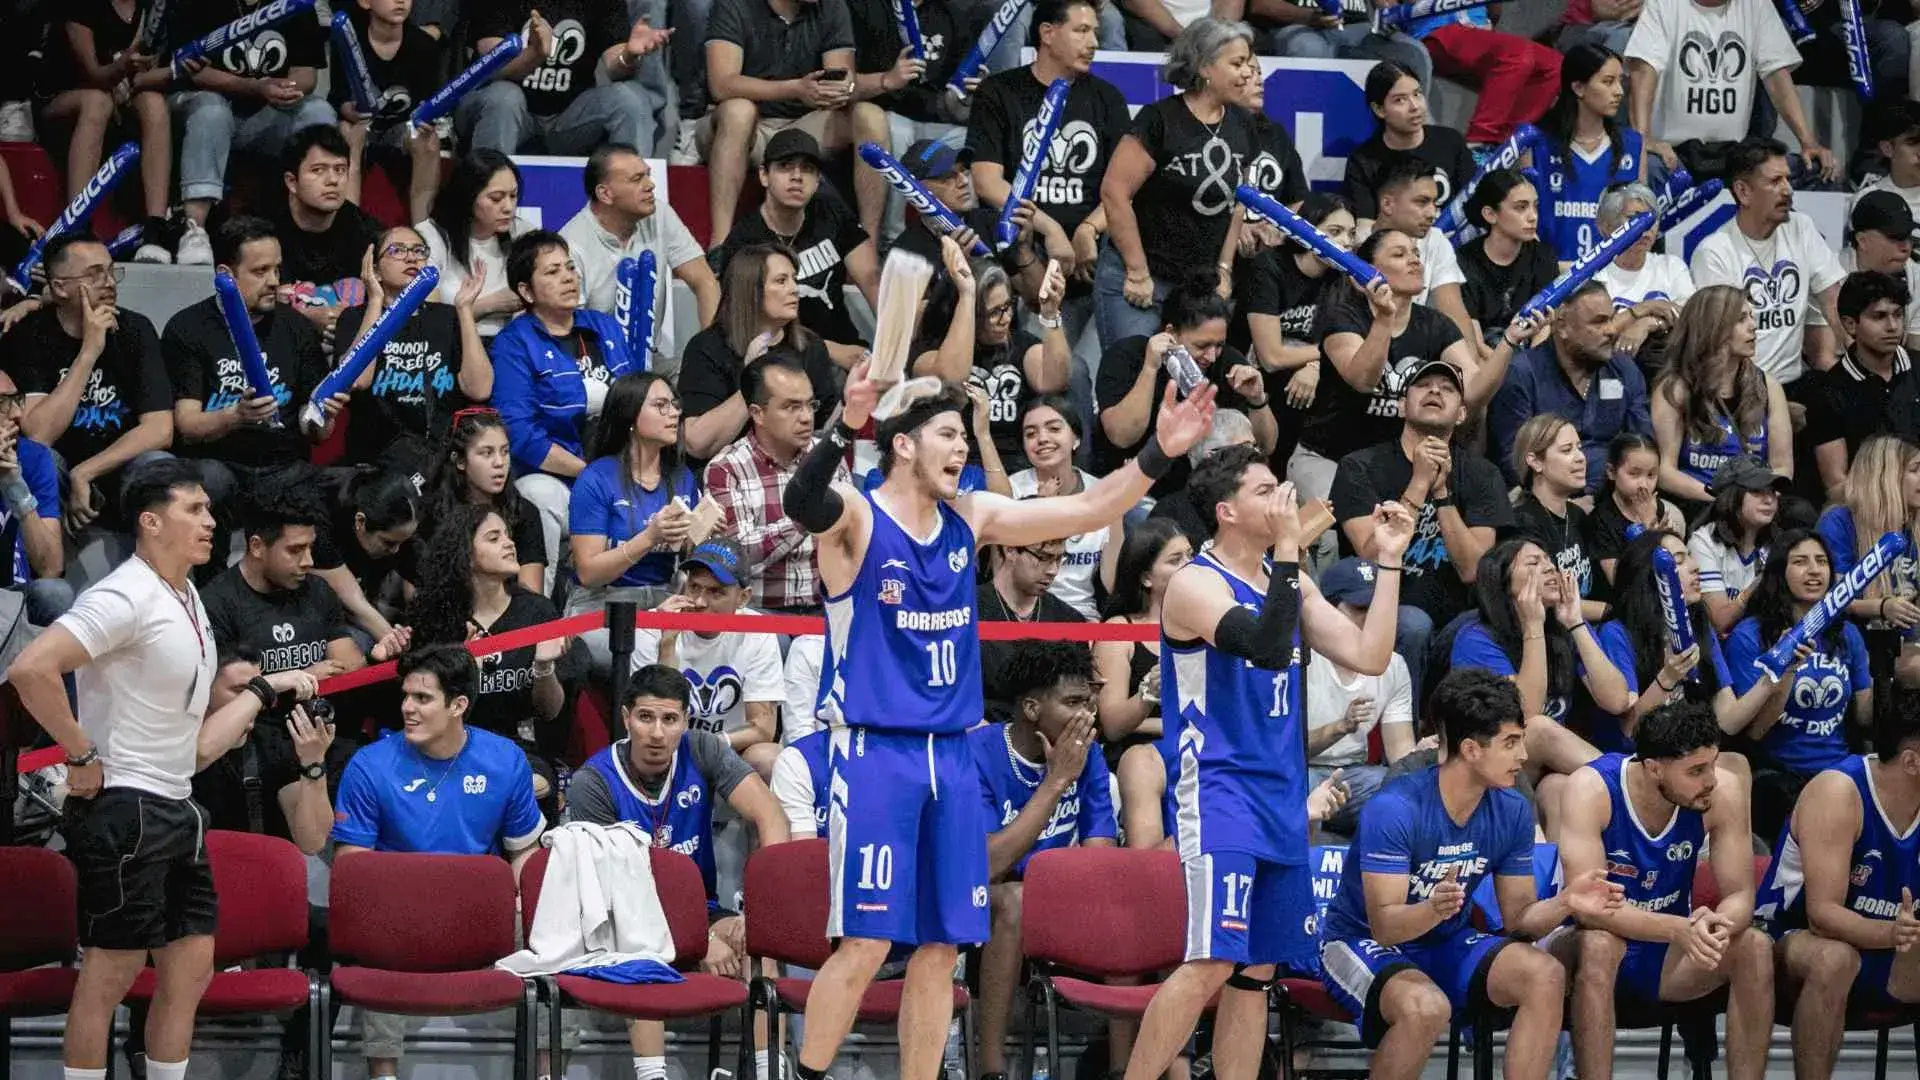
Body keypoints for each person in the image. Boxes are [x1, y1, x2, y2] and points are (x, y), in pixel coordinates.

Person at [777, 353, 1216, 1080]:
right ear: (904, 444)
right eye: (948, 434)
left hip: (953, 755)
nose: (963, 448)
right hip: (877, 754)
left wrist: (1158, 452)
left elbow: (1087, 510)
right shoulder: (856, 514)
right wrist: (846, 422)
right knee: (866, 944)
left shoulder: (971, 516)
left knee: (942, 948)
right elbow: (802, 502)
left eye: (964, 435)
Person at [1117, 441, 1412, 1080]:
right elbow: (1268, 646)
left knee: (1255, 974)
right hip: (1220, 792)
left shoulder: (1289, 578)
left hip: (1281, 792)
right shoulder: (1194, 583)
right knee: (1210, 963)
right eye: (1264, 490)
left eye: (1282, 486)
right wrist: (1287, 550)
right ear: (1226, 511)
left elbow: (1370, 655)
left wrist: (1388, 562)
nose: (1283, 497)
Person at [6, 459, 251, 1080]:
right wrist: (80, 752)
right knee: (109, 974)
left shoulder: (188, 594)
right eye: (193, 509)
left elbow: (188, 734)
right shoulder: (123, 594)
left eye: (209, 509)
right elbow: (32, 669)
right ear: (151, 521)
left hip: (179, 803)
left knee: (190, 970)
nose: (210, 520)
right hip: (126, 806)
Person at [1316, 668, 1622, 1080]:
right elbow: (1385, 927)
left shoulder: (1512, 810)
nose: (1524, 756)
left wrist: (1565, 901)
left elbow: (1518, 921)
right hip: (1359, 940)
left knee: (1544, 974)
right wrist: (1432, 909)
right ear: (1471, 749)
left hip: (1442, 938)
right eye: (1510, 743)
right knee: (1426, 1007)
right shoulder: (1394, 809)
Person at [330, 644, 546, 1080]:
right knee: (374, 933)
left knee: (551, 936)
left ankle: (545, 1071)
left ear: (458, 705)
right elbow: (352, 867)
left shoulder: (505, 761)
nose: (407, 708)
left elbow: (524, 851)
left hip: (477, 914)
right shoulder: (369, 766)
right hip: (399, 915)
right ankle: (384, 1074)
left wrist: (528, 904)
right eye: (406, 696)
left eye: (423, 698)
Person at [565, 664, 791, 1080]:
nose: (657, 733)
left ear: (686, 721)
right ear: (626, 718)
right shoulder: (593, 782)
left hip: (700, 911)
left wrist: (760, 909)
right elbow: (613, 895)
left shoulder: (701, 750)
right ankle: (653, 1075)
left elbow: (770, 816)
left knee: (759, 946)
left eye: (670, 719)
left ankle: (768, 1070)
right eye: (645, 718)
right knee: (642, 951)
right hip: (622, 920)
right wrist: (698, 942)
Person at [1555, 702, 1774, 1080]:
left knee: (1754, 945)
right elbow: (1591, 909)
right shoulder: (1591, 788)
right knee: (1598, 944)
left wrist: (1714, 924)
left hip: (1667, 952)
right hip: (1591, 946)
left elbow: (1740, 895)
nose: (1711, 780)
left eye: (1712, 764)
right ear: (1653, 767)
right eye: (1696, 771)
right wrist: (1677, 928)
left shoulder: (1723, 791)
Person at [966, 0, 1132, 418]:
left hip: (1093, 264)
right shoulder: (1000, 92)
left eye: (1095, 32)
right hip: (1025, 256)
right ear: (1047, 33)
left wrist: (1089, 229)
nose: (1093, 43)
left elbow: (1124, 185)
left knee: (1090, 377)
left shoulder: (1107, 98)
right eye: (1081, 31)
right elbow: (987, 181)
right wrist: (1052, 229)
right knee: (1055, 375)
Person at [1754, 694, 1920, 1080]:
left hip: (1891, 946)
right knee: (1835, 959)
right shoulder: (1838, 792)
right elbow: (1822, 916)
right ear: (1912, 762)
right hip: (1792, 940)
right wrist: (1894, 933)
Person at [971, 641, 1117, 1080]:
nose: (1087, 715)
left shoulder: (1088, 753)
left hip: (1061, 895)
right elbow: (988, 864)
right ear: (1032, 708)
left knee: (1131, 903)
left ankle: (1123, 1069)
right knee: (1014, 899)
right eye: (1073, 703)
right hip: (980, 901)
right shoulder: (977, 753)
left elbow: (1100, 857)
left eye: (1089, 702)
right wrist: (1056, 782)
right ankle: (992, 1070)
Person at [1331, 358, 1510, 694]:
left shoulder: (1483, 475)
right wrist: (1419, 482)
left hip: (1453, 622)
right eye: (1423, 385)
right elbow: (1372, 555)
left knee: (1485, 624)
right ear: (1401, 406)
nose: (1435, 391)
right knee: (1415, 624)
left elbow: (1473, 570)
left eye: (1447, 389)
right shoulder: (1359, 467)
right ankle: (1406, 728)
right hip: (1378, 615)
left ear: (1461, 414)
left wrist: (1441, 494)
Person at [1290, 229, 1488, 505]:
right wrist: (1385, 316)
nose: (1415, 260)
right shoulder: (1344, 317)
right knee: (1346, 524)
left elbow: (1475, 387)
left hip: (1395, 466)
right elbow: (1363, 380)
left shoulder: (1436, 324)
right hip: (1328, 459)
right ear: (1365, 273)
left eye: (1416, 253)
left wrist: (1509, 342)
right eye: (1399, 254)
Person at [162, 217, 346, 514]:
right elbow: (187, 425)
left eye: (276, 269)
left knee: (356, 488)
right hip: (220, 465)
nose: (274, 281)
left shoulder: (297, 327)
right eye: (260, 271)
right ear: (225, 275)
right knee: (210, 481)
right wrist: (236, 416)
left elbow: (315, 433)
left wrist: (323, 416)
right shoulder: (188, 328)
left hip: (284, 467)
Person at [1095, 17, 1257, 347]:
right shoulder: (1159, 119)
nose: (1247, 73)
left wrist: (1225, 269)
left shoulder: (1243, 124)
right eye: (1237, 64)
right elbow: (1114, 192)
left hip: (1196, 289)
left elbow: (1238, 203)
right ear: (1205, 67)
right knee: (1134, 368)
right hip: (1143, 279)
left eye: (1248, 64)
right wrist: (1137, 271)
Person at [491, 230, 642, 569]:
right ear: (526, 291)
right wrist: (590, 473)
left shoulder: (604, 326)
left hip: (621, 470)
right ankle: (537, 598)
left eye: (570, 268)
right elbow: (520, 433)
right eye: (552, 271)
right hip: (558, 478)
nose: (568, 278)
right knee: (537, 496)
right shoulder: (513, 344)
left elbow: (638, 398)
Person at [5, 233, 171, 536]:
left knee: (160, 465)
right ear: (59, 288)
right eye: (94, 275)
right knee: (39, 460)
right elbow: (40, 435)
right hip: (59, 474)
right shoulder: (30, 335)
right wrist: (89, 352)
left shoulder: (136, 330)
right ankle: (47, 561)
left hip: (118, 468)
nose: (108, 283)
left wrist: (86, 471)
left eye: (111, 271)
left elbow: (160, 428)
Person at [407, 504, 567, 808]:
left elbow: (549, 712)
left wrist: (544, 667)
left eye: (508, 535)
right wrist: (466, 670)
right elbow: (423, 712)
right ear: (466, 555)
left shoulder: (537, 612)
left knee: (535, 784)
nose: (509, 543)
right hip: (447, 743)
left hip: (513, 746)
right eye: (494, 538)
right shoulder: (436, 619)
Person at [1724, 530, 1873, 842]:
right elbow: (1755, 732)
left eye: (1821, 562)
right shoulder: (1749, 635)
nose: (1814, 570)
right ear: (1780, 572)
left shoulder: (1847, 634)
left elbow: (1865, 717)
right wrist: (1786, 670)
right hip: (1779, 775)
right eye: (1801, 562)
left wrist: (1883, 677)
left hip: (1840, 768)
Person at [1449, 539, 1628, 798]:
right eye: (1533, 563)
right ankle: (1631, 788)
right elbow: (1524, 716)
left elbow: (1617, 701)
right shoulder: (1475, 639)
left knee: (1557, 789)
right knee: (1540, 728)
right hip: (1488, 758)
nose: (1549, 567)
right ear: (1503, 583)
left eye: (1548, 560)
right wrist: (1532, 626)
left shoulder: (1563, 625)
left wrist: (1576, 622)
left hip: (1540, 766)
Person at [169, 0, 335, 266]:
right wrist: (256, 87)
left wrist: (283, 88)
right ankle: (193, 229)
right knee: (212, 110)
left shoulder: (296, 4)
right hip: (206, 107)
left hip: (266, 114)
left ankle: (313, 232)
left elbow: (305, 74)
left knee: (318, 112)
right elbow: (194, 72)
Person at [1588, 530, 1770, 754]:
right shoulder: (1616, 633)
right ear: (1649, 576)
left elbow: (1727, 720)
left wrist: (1775, 675)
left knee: (1736, 761)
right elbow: (1630, 731)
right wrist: (1668, 677)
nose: (1695, 567)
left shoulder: (1699, 624)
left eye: (1690, 557)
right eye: (1679, 561)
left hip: (1687, 752)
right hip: (1634, 757)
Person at [705, 130, 878, 366]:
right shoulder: (745, 242)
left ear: (818, 180)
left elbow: (871, 280)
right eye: (785, 166)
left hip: (846, 350)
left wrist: (895, 338)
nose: (797, 176)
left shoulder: (831, 213)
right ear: (764, 175)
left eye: (807, 169)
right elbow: (745, 325)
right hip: (780, 357)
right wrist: (827, 350)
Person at [1094, 272, 1273, 494]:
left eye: (1219, 345)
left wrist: (1257, 399)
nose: (1212, 356)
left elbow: (1265, 446)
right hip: (1128, 487)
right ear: (1171, 333)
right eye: (1202, 346)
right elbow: (1122, 436)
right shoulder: (1127, 356)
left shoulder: (1229, 363)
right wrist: (1149, 369)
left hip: (1201, 492)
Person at [700, 0, 860, 248]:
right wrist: (795, 89)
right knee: (739, 111)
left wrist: (839, 90)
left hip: (804, 124)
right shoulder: (734, 5)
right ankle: (720, 242)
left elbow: (844, 79)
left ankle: (871, 242)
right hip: (747, 128)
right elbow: (721, 85)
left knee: (868, 117)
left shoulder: (832, 6)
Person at [565, 371, 697, 666]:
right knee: (645, 647)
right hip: (603, 605)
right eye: (660, 405)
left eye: (674, 404)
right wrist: (649, 537)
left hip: (664, 598)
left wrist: (700, 536)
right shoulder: (597, 478)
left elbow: (690, 558)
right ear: (630, 416)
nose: (674, 413)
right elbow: (588, 574)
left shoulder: (683, 477)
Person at [1689, 139, 1846, 386]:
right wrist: (1771, 399)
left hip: (1795, 383)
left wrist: (1862, 367)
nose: (1788, 190)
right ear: (1743, 192)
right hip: (1741, 387)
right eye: (1775, 181)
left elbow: (1833, 301)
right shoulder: (1714, 253)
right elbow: (1721, 345)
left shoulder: (1801, 227)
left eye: (1787, 179)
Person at [1624, 0, 1836, 182]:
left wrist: (1808, 142)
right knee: (1647, 167)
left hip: (1736, 157)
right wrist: (1643, 141)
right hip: (1673, 156)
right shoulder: (1662, 4)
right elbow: (1642, 72)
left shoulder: (1756, 5)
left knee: (1815, 170)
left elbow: (1777, 76)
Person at [339, 226, 492, 476]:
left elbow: (480, 389)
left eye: (419, 251)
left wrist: (464, 309)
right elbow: (358, 380)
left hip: (441, 461)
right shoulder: (354, 318)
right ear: (374, 269)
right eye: (397, 250)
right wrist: (376, 300)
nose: (411, 258)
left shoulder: (448, 317)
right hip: (374, 463)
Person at [704, 354, 848, 615]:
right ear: (757, 414)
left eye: (810, 405)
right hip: (760, 613)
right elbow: (737, 558)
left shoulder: (828, 456)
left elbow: (849, 537)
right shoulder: (725, 468)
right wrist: (806, 518)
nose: (806, 417)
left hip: (827, 607)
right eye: (792, 407)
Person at [632, 538, 784, 777]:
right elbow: (649, 719)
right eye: (694, 587)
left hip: (729, 751)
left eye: (715, 592)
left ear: (743, 598)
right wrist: (667, 644)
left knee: (769, 758)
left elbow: (763, 728)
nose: (700, 602)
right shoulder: (653, 626)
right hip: (665, 748)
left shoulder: (758, 631)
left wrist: (712, 744)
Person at [559, 144, 720, 368]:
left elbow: (705, 281)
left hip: (650, 360)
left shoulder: (659, 214)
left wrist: (712, 355)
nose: (650, 185)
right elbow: (568, 331)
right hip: (596, 364)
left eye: (648, 175)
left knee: (702, 378)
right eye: (637, 179)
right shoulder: (572, 245)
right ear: (605, 194)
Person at [681, 243, 841, 461]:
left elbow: (822, 430)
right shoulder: (707, 347)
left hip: (794, 469)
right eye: (781, 281)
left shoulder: (810, 347)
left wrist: (849, 402)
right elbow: (696, 444)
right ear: (751, 291)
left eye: (794, 279)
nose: (795, 289)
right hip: (727, 471)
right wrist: (751, 382)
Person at [41, 0, 172, 263]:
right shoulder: (80, 6)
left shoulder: (150, 7)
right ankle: (77, 224)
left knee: (154, 103)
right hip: (63, 98)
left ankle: (155, 227)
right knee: (97, 102)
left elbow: (143, 73)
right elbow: (94, 74)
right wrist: (123, 65)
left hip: (119, 95)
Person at [1489, 281, 1650, 494]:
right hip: (1544, 499)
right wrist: (1569, 502)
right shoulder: (1522, 374)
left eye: (1611, 319)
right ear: (1562, 326)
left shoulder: (1623, 369)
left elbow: (1644, 447)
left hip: (1615, 496)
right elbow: (1515, 463)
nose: (1612, 330)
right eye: (1599, 322)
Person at [458, 0, 672, 157]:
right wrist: (534, 55)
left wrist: (629, 54)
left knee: (631, 100)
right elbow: (492, 67)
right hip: (504, 112)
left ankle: (631, 194)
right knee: (504, 98)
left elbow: (614, 66)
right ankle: (488, 189)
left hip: (568, 117)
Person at [201, 484, 371, 679]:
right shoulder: (216, 605)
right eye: (295, 550)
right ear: (257, 547)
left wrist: (374, 658)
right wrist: (298, 679)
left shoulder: (318, 590)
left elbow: (349, 671)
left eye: (310, 548)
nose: (309, 562)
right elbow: (224, 691)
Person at [1238, 193, 1355, 471]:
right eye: (1335, 232)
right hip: (1253, 375)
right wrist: (1323, 356)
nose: (1346, 242)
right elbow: (1271, 357)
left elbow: (1353, 344)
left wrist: (1314, 366)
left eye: (1351, 233)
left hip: (1302, 381)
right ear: (1306, 230)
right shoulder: (1269, 267)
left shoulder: (1342, 278)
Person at [1092, 518, 1190, 848]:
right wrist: (1149, 692)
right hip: (1136, 755)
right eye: (1175, 560)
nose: (1189, 566)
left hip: (1193, 745)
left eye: (1190, 556)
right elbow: (1112, 725)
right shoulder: (1119, 630)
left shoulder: (1207, 626)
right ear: (1146, 577)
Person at [1651, 286, 1793, 510]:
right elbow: (1665, 472)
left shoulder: (1769, 387)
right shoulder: (1675, 389)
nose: (1753, 326)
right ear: (1713, 328)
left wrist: (1758, 500)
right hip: (1698, 501)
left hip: (1757, 503)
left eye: (1751, 316)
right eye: (1741, 319)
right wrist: (1723, 501)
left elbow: (1782, 467)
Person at [1304, 557, 1415, 835]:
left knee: (1402, 788)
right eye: (1359, 608)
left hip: (1353, 776)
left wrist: (1421, 758)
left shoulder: (1393, 665)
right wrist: (1340, 727)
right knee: (1291, 788)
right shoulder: (1301, 659)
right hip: (1299, 771)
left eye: (1375, 607)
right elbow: (1284, 751)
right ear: (1327, 610)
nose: (1370, 617)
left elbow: (1400, 751)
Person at [190, 645, 335, 854]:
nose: (253, 702)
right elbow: (200, 753)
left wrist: (314, 763)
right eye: (240, 691)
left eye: (257, 692)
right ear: (206, 690)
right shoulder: (178, 742)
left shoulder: (274, 743)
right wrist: (265, 686)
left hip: (256, 864)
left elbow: (313, 842)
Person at [1816, 436, 1920, 684]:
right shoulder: (1839, 523)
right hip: (1853, 645)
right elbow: (1831, 601)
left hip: (1906, 643)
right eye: (1915, 470)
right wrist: (1882, 607)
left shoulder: (1912, 526)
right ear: (1886, 475)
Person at [409, 409, 548, 595]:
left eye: (505, 451)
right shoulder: (432, 513)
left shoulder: (523, 512)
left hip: (510, 608)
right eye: (487, 453)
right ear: (460, 460)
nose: (499, 463)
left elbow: (532, 596)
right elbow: (419, 592)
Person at [330, 0, 445, 225]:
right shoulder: (347, 40)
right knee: (346, 133)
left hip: (402, 128)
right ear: (365, 2)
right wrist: (351, 111)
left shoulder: (424, 45)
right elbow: (339, 97)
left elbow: (427, 103)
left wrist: (424, 121)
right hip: (359, 123)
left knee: (428, 141)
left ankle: (423, 228)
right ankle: (350, 226)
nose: (401, 1)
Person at [1528, 43, 1644, 262]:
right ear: (1579, 88)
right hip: (1549, 274)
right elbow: (1521, 218)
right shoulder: (1536, 142)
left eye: (1620, 81)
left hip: (1612, 273)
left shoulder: (1632, 144)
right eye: (1608, 81)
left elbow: (1641, 219)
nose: (1619, 91)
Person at [1809, 270, 1918, 503]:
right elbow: (1836, 485)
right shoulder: (1828, 391)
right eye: (1879, 317)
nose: (1892, 326)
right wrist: (1895, 495)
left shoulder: (1918, 367)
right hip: (1868, 508)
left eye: (1898, 315)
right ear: (1850, 324)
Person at [1008, 395, 1118, 620]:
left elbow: (1111, 582)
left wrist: (1117, 507)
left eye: (1054, 429)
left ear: (1076, 438)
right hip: (1026, 612)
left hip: (1083, 615)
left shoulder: (1101, 493)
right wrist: (1041, 510)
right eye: (1031, 434)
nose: (1042, 439)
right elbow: (1007, 573)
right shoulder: (1011, 490)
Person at [273, 124, 385, 342]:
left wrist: (350, 320)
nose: (333, 180)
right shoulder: (263, 233)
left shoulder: (368, 234)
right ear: (292, 181)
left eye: (340, 170)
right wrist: (302, 318)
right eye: (318, 170)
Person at [1401, 5, 1561, 148]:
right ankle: (1478, 143)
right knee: (1516, 54)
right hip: (1437, 32)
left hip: (1478, 32)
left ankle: (1503, 144)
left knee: (1556, 64)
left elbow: (1495, 10)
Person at [1340, 61, 1473, 231]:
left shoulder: (1451, 141)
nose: (1415, 106)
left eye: (1417, 94)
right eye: (1400, 100)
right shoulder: (1363, 160)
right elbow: (1365, 227)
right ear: (1379, 109)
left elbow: (1472, 201)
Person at [1365, 160, 1478, 350]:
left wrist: (1469, 366)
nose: (1432, 213)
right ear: (1387, 204)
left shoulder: (1436, 240)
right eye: (1422, 202)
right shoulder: (1355, 246)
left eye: (1434, 203)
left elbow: (1455, 316)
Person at [419, 151, 532, 339]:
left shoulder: (523, 233)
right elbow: (428, 322)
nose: (509, 207)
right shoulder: (430, 236)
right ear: (468, 197)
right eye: (496, 198)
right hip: (450, 345)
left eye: (513, 196)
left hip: (511, 346)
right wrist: (490, 305)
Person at [1509, 414, 1607, 622]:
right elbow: (1546, 599)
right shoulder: (1522, 522)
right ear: (1535, 461)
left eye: (1579, 447)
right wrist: (1611, 613)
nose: (1581, 457)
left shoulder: (1577, 516)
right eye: (1567, 450)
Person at [1456, 170, 1560, 361]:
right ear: (1490, 214)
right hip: (1481, 364)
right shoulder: (1463, 261)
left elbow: (1544, 329)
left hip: (1531, 362)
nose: (1533, 216)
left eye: (1535, 206)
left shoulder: (1543, 256)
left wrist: (1527, 370)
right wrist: (1506, 370)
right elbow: (1475, 343)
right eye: (1521, 208)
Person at [310, 469, 421, 648]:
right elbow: (354, 605)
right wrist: (400, 645)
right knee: (362, 642)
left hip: (362, 592)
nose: (396, 551)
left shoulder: (396, 527)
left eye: (403, 542)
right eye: (388, 542)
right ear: (360, 522)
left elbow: (429, 578)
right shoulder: (321, 516)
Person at [978, 532, 1086, 706]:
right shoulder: (967, 612)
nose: (1053, 570)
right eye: (1043, 557)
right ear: (1010, 549)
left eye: (1059, 559)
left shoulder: (1070, 620)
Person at [1591, 183, 1692, 365]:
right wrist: (1644, 308)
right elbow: (1597, 334)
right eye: (1634, 218)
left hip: (1668, 367)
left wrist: (1647, 323)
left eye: (1652, 219)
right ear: (1607, 226)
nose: (1646, 228)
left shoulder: (1672, 267)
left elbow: (1691, 318)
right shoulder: (1595, 274)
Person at [0, 370, 71, 623]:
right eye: (2, 403)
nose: (17, 414)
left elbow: (50, 568)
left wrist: (13, 483)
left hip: (14, 597)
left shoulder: (33, 457)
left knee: (55, 593)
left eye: (17, 400)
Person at [1688, 456, 1785, 636]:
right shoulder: (1704, 542)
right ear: (1731, 497)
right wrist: (1760, 583)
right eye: (1757, 491)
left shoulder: (1778, 543)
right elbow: (1719, 622)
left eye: (1772, 491)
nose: (1769, 500)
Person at [1583, 432, 1685, 594]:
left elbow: (1675, 571)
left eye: (1651, 475)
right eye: (1634, 474)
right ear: (1611, 471)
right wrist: (1649, 532)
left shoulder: (1660, 509)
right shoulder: (1601, 520)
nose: (1643, 484)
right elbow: (1620, 584)